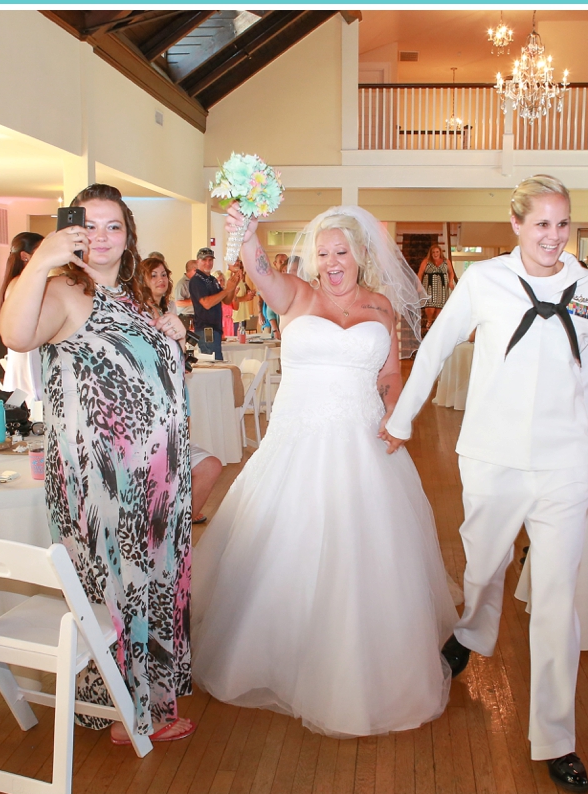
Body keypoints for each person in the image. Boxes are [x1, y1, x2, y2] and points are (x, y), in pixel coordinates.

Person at [192, 203, 457, 739]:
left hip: (364, 448)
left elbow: (390, 373)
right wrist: (243, 232)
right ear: (313, 260)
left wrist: (396, 417)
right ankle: (279, 654)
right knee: (288, 550)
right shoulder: (295, 294)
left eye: (342, 252)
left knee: (365, 560)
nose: (333, 263)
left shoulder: (381, 308)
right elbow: (258, 266)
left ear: (360, 255)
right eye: (324, 254)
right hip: (297, 445)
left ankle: (357, 665)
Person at [384, 175, 588, 793]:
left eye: (563, 224)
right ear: (517, 225)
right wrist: (401, 420)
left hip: (563, 464)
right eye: (541, 224)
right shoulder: (484, 282)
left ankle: (556, 737)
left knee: (558, 599)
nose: (553, 236)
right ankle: (473, 629)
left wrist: (583, 444)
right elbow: (434, 347)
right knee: (485, 567)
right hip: (492, 455)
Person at [0, 184, 195, 746]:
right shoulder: (61, 288)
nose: (102, 237)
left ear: (129, 235)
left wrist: (169, 336)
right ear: (70, 231)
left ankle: (145, 702)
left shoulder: (131, 295)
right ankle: (124, 711)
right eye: (90, 225)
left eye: (114, 226)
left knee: (150, 583)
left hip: (153, 478)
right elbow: (15, 334)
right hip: (103, 482)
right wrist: (40, 261)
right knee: (117, 587)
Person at [0, 231, 45, 401]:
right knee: (29, 391)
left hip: (28, 346)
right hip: (27, 348)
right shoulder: (21, 282)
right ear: (25, 256)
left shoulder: (23, 281)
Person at [188, 247, 240, 359]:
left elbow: (226, 300)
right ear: (198, 261)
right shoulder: (196, 280)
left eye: (210, 260)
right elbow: (206, 303)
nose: (208, 263)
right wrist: (227, 290)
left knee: (217, 360)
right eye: (204, 260)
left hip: (215, 328)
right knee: (212, 362)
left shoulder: (212, 280)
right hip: (205, 329)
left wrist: (232, 286)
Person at [417, 243, 456, 332]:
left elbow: (451, 272)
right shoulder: (426, 261)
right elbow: (420, 273)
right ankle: (430, 320)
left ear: (440, 252)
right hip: (429, 285)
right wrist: (418, 285)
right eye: (433, 252)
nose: (435, 254)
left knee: (439, 307)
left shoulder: (446, 261)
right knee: (430, 306)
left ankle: (437, 325)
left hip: (442, 287)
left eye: (437, 252)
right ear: (431, 253)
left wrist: (450, 281)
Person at [172, 259, 197, 323]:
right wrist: (196, 301)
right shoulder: (182, 284)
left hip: (196, 316)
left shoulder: (196, 282)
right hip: (186, 318)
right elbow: (178, 303)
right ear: (194, 270)